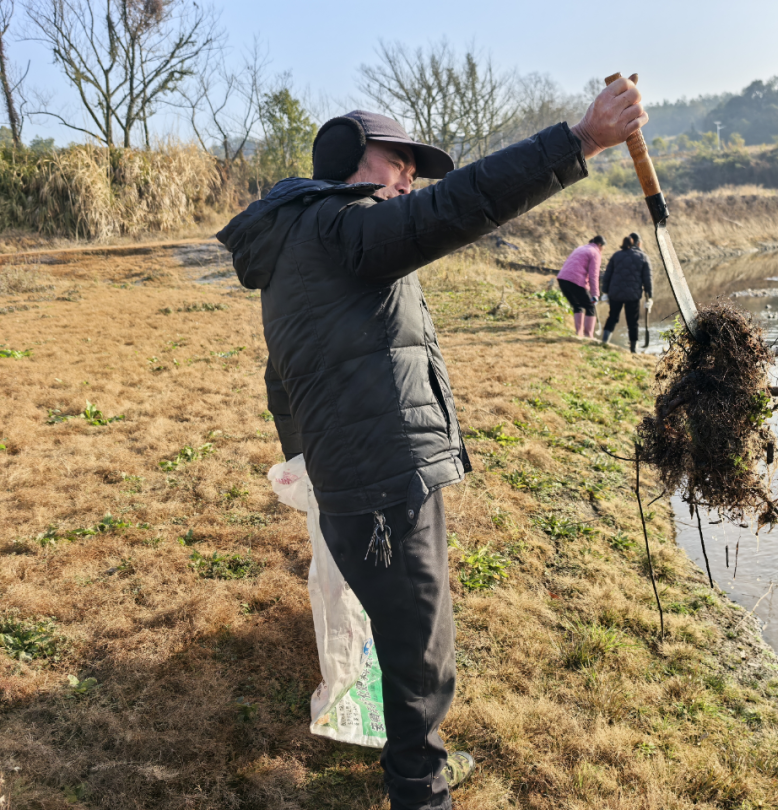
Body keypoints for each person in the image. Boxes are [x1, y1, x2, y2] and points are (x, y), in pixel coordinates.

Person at [216, 78, 647, 810]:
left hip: (356, 474)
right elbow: (458, 206)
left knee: (401, 627)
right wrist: (579, 141)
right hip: (383, 479)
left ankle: (408, 759)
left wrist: (304, 464)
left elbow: (279, 376)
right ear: (352, 158)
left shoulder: (298, 247)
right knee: (422, 652)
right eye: (399, 159)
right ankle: (421, 790)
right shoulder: (343, 227)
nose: (412, 175)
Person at [600, 234, 653, 352]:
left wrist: (605, 292)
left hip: (615, 294)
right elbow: (647, 280)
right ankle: (633, 349)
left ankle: (604, 342)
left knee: (612, 317)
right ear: (639, 243)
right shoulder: (643, 257)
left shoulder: (616, 255)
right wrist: (649, 297)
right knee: (633, 322)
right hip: (632, 296)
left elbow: (607, 275)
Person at [557, 235, 605, 337]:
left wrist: (588, 289)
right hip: (574, 280)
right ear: (600, 245)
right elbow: (594, 275)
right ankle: (588, 335)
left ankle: (579, 334)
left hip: (562, 278)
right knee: (590, 306)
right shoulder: (595, 253)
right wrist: (595, 294)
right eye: (603, 247)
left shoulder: (580, 248)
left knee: (577, 305)